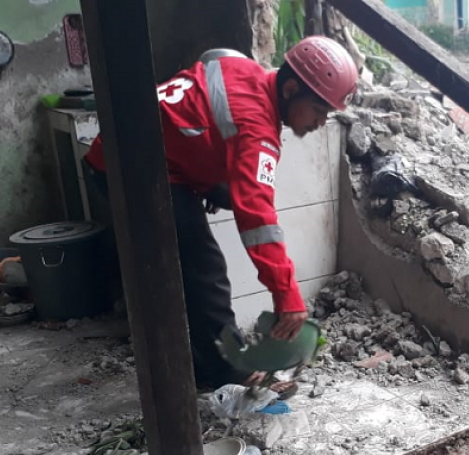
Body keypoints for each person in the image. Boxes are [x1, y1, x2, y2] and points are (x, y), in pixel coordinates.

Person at [82, 36, 359, 393]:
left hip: (133, 148)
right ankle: (229, 371)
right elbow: (257, 220)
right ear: (291, 89)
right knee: (204, 269)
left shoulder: (244, 70)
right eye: (319, 112)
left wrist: (206, 182)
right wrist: (287, 295)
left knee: (206, 232)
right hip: (131, 169)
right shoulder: (257, 131)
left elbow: (207, 77)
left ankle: (197, 363)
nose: (321, 123)